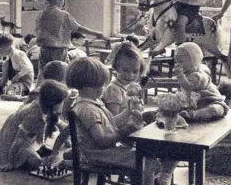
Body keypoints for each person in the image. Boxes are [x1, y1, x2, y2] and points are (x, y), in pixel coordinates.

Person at [65, 57, 177, 185]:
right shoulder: (87, 109)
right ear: (90, 86)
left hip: (102, 153)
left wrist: (128, 111)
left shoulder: (92, 102)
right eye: (102, 84)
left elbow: (111, 122)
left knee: (146, 155)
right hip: (98, 156)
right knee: (146, 160)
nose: (104, 87)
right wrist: (125, 130)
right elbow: (101, 141)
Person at [0, 60, 69, 145]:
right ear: (60, 79)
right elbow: (31, 112)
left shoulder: (57, 92)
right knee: (8, 133)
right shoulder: (41, 92)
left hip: (39, 122)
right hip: (28, 123)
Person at [35, 0, 108, 85]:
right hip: (59, 50)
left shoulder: (42, 14)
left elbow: (37, 30)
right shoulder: (63, 15)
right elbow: (78, 28)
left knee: (43, 73)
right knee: (61, 74)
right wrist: (97, 34)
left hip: (44, 49)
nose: (63, 2)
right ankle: (61, 94)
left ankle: (39, 93)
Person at [0, 79, 68, 171]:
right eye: (62, 102)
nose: (63, 104)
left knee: (46, 152)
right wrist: (10, 162)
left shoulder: (42, 105)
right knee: (36, 162)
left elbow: (61, 126)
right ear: (53, 103)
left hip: (25, 140)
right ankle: (18, 160)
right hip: (11, 147)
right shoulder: (34, 115)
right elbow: (19, 140)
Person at [174, 42, 229, 121]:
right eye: (176, 62)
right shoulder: (187, 73)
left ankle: (193, 115)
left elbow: (188, 87)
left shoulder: (199, 75)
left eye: (181, 61)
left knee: (215, 109)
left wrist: (180, 75)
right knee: (174, 104)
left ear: (193, 60)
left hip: (212, 101)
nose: (177, 64)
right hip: (197, 104)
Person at [101, 41, 145, 116]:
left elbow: (141, 110)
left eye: (135, 71)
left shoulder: (135, 87)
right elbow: (112, 122)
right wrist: (130, 111)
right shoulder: (114, 90)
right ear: (116, 67)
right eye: (125, 70)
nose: (130, 75)